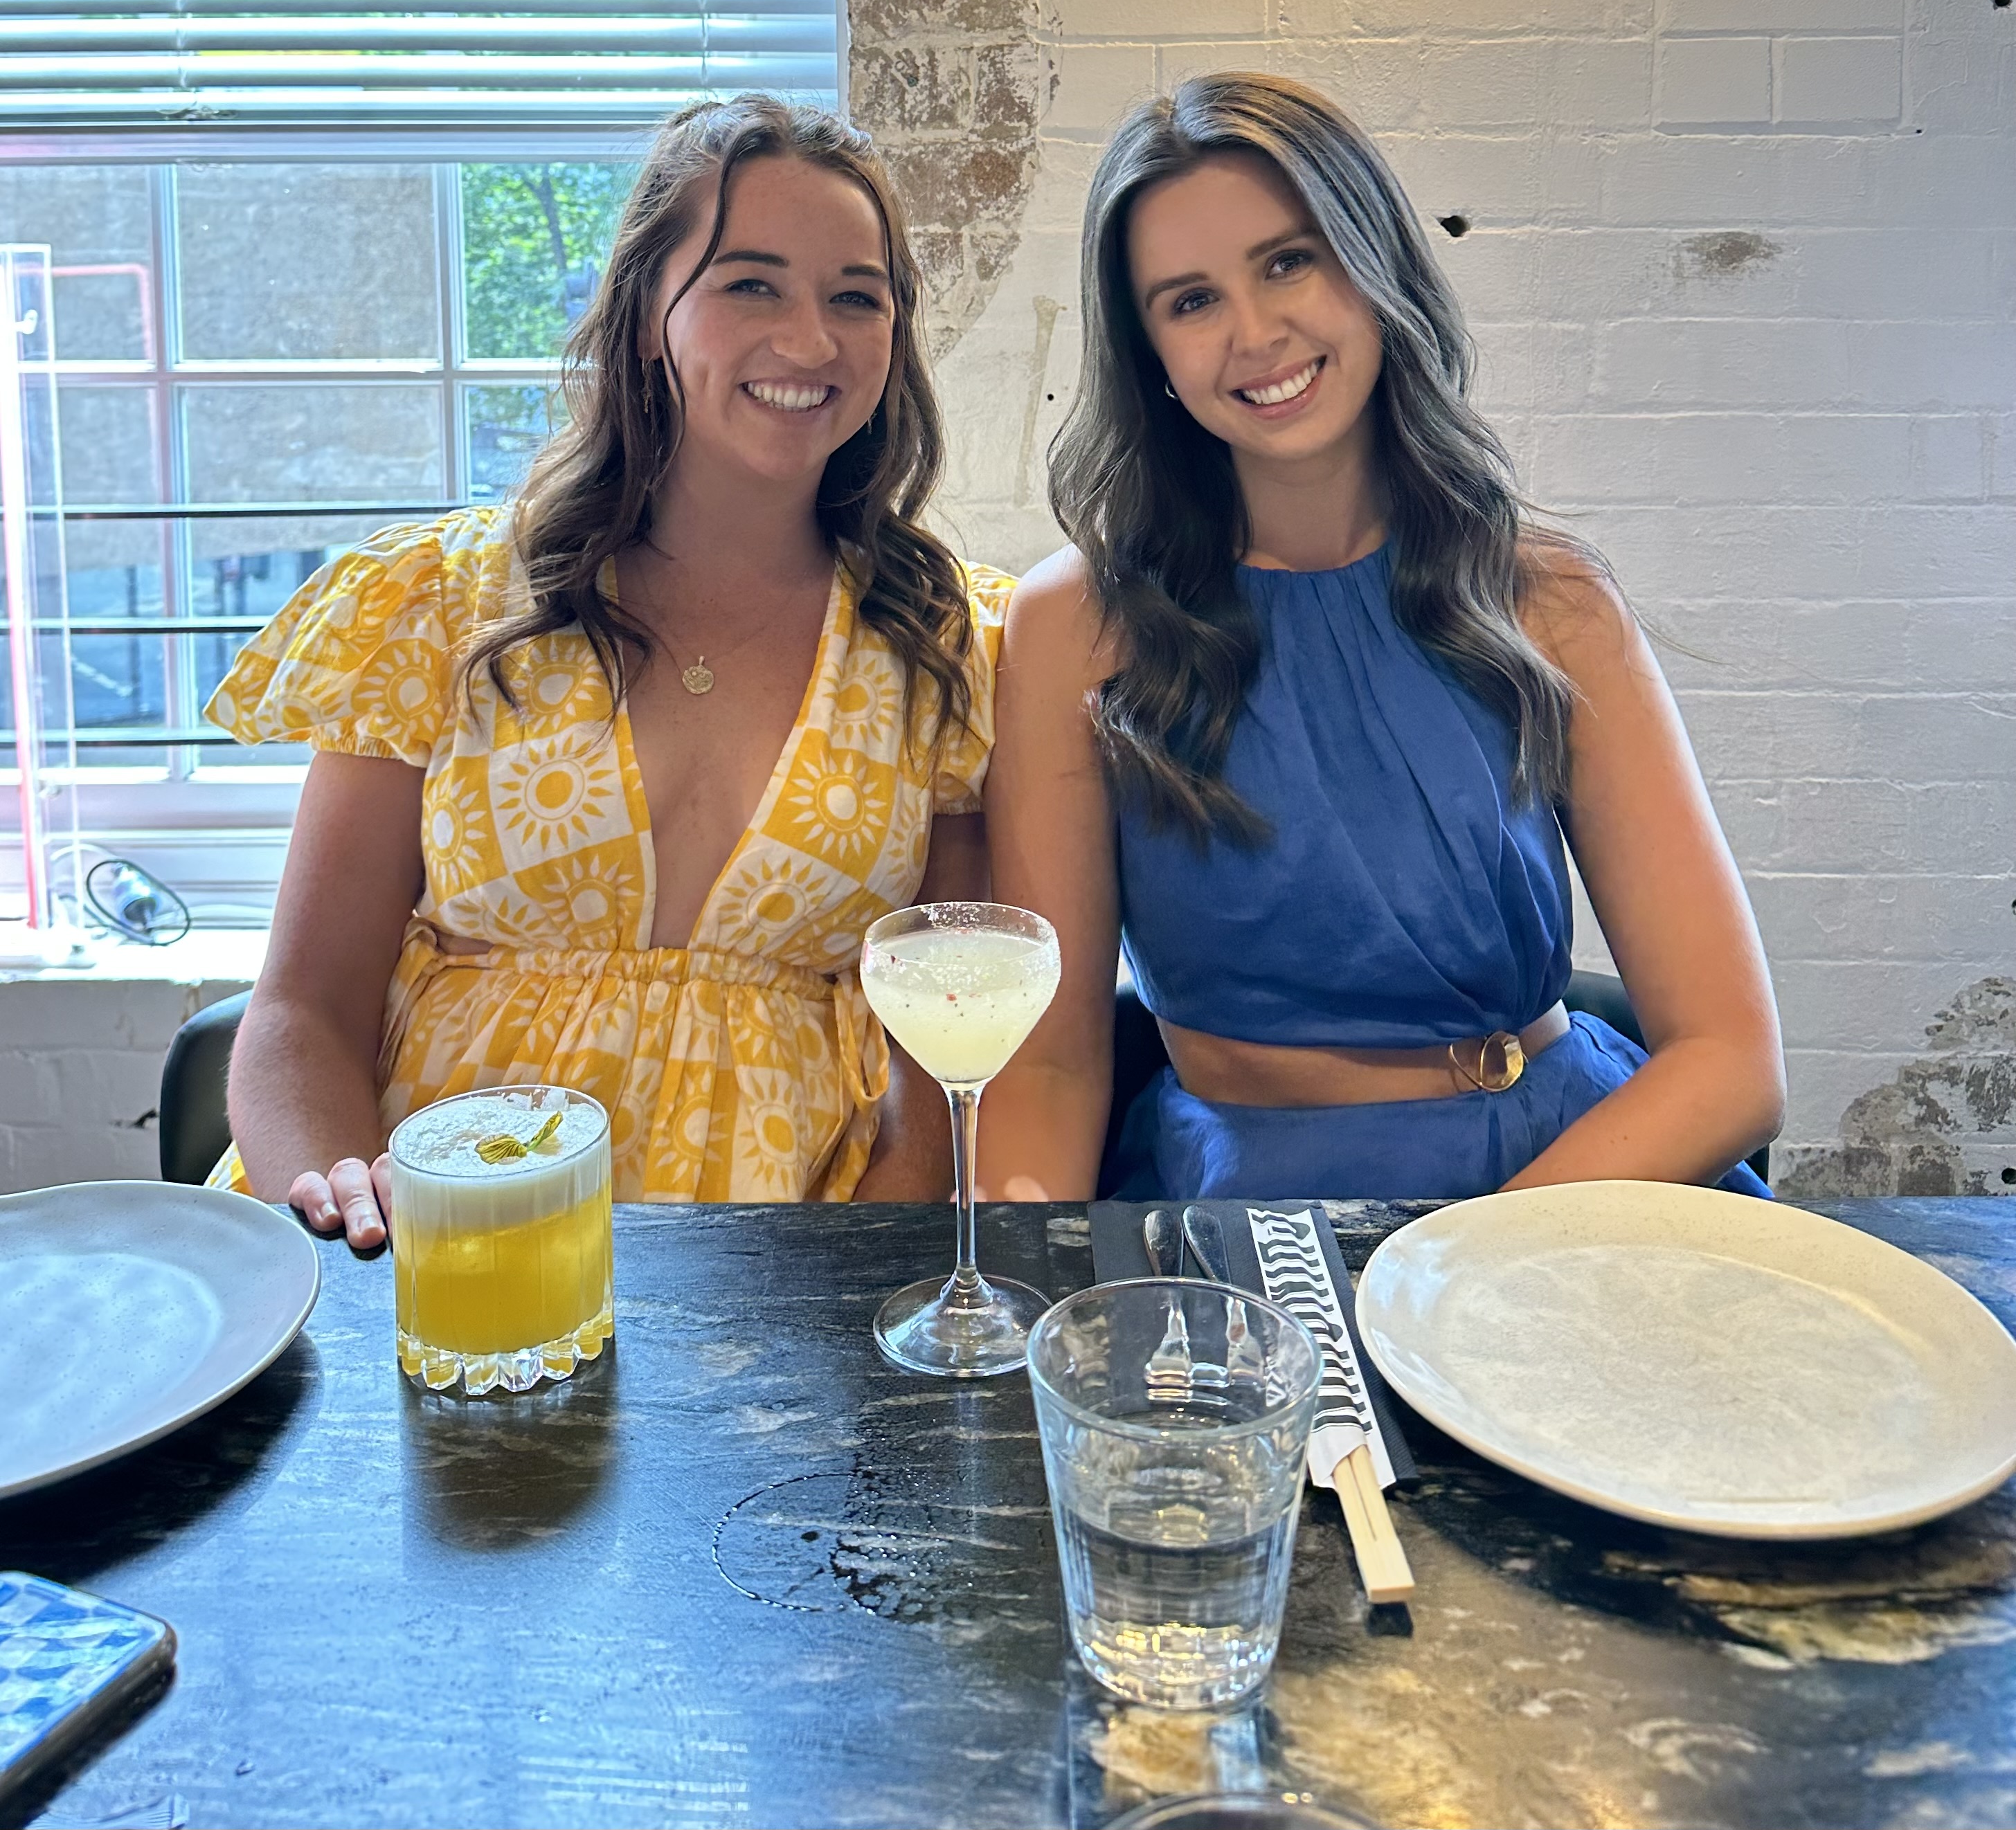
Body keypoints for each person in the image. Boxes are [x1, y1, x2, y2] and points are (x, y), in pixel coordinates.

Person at [209, 97, 1008, 1249]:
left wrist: (855, 1275)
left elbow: (938, 1053)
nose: (811, 341)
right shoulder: (441, 600)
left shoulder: (943, 641)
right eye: (751, 284)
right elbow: (303, 1007)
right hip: (432, 1243)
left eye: (857, 296)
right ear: (644, 318)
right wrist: (347, 1226)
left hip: (778, 1264)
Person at [980, 74, 1783, 1204]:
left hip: (1565, 1183)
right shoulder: (1075, 623)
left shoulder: (1552, 599)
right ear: (1147, 350)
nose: (1255, 333)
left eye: (1288, 262)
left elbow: (1732, 1063)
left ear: (1374, 264)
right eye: (1191, 300)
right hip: (1252, 1200)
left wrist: (1469, 1266)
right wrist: (1012, 1274)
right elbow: (1052, 1068)